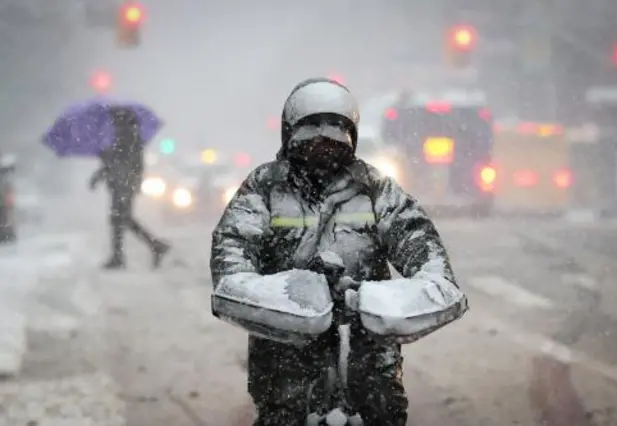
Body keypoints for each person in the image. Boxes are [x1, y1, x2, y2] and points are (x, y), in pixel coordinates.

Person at [209, 78, 459, 425]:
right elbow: (234, 244)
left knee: (383, 406)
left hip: (366, 328)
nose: (323, 143)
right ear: (289, 133)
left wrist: (432, 278)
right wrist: (252, 287)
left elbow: (414, 235)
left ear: (351, 136)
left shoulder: (373, 187)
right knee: (281, 409)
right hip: (286, 327)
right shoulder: (265, 185)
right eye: (311, 132)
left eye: (335, 132)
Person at [89, 106, 170, 269]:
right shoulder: (129, 137)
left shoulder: (128, 138)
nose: (111, 124)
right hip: (122, 184)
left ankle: (142, 249)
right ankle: (148, 247)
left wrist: (105, 160)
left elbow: (119, 162)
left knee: (120, 218)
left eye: (114, 120)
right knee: (121, 218)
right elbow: (119, 162)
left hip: (123, 184)